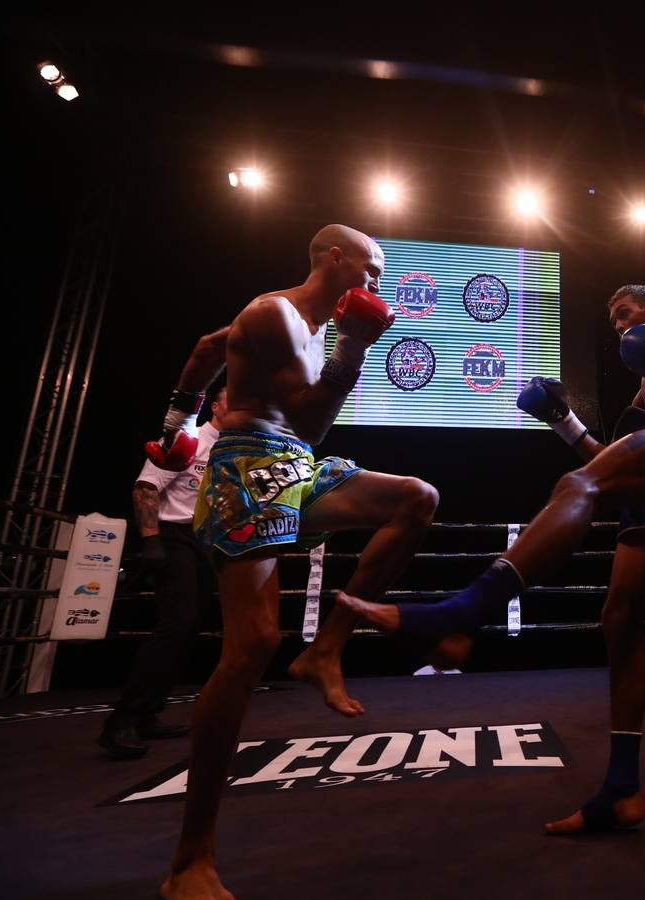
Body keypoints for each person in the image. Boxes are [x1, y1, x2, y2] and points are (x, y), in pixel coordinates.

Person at [341, 283, 645, 835]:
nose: (618, 320)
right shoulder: (640, 388)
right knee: (620, 621)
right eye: (611, 315)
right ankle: (622, 789)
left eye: (625, 310)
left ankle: (461, 610)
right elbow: (606, 465)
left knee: (574, 486)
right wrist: (562, 419)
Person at [157, 224, 441, 900]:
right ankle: (189, 862)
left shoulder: (291, 323)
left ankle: (326, 649)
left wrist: (175, 420)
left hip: (298, 467)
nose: (377, 286)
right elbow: (310, 419)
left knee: (415, 501)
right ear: (334, 260)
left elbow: (205, 350)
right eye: (371, 271)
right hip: (249, 468)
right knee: (251, 644)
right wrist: (354, 348)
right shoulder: (276, 314)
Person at [98, 385, 227, 760]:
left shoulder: (237, 450)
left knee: (186, 628)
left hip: (207, 542)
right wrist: (151, 542)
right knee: (177, 623)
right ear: (216, 406)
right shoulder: (185, 440)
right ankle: (120, 722)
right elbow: (145, 487)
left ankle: (148, 715)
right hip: (173, 537)